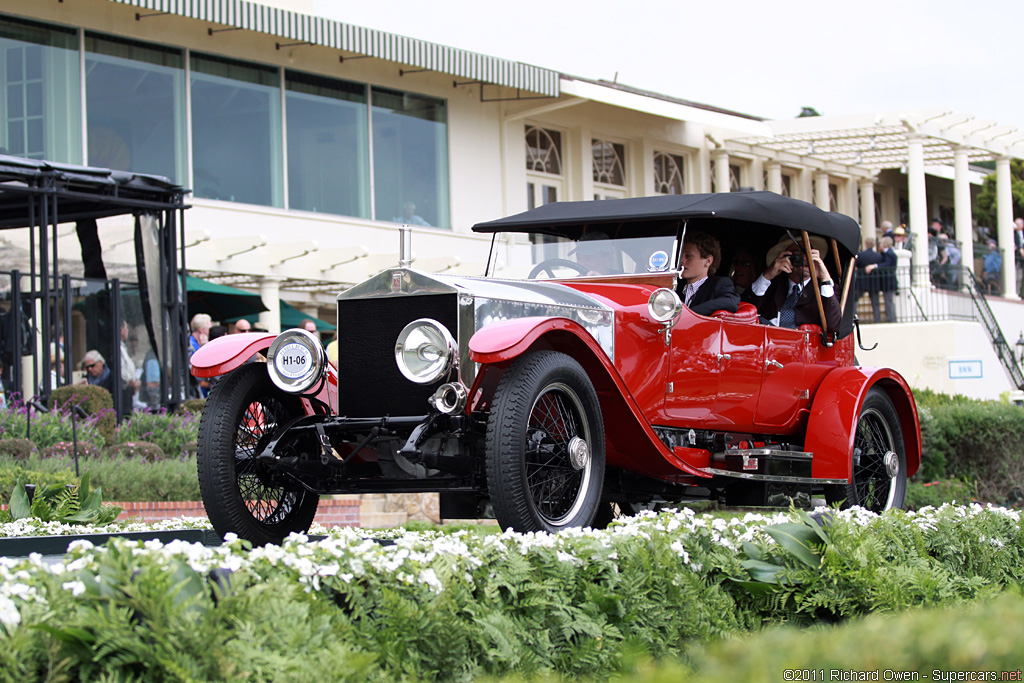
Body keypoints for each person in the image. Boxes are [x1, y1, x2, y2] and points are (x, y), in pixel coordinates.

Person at [742, 234, 841, 331]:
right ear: (785, 257)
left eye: (809, 253)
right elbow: (744, 314)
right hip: (769, 343)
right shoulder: (773, 285)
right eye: (798, 254)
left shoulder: (826, 290)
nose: (805, 259)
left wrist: (825, 278)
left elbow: (833, 325)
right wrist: (767, 276)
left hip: (804, 345)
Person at [677, 231, 738, 316]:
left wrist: (689, 314)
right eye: (680, 256)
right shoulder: (677, 287)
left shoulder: (719, 284)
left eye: (688, 256)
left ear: (708, 261)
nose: (682, 261)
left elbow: (730, 302)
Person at [854, 237, 883, 323]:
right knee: (875, 303)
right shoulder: (878, 256)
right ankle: (877, 320)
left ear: (866, 244)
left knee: (854, 300)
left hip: (862, 281)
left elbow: (856, 265)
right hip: (874, 282)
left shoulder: (861, 255)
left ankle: (854, 317)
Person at [187, 313, 212, 398]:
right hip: (196, 391)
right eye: (208, 329)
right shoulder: (191, 346)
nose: (209, 332)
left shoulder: (196, 344)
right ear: (201, 330)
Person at [876, 236, 898, 323]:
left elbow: (887, 264)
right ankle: (891, 318)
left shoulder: (889, 254)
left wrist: (875, 266)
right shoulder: (887, 253)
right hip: (888, 282)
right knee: (888, 301)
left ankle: (892, 319)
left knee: (889, 302)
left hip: (889, 282)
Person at [1015, 218, 1024, 297]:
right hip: (1017, 258)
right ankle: (1016, 293)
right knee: (1017, 276)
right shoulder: (1013, 234)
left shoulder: (1023, 234)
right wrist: (1019, 250)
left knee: (1020, 277)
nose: (1016, 226)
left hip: (1022, 261)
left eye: (1018, 224)